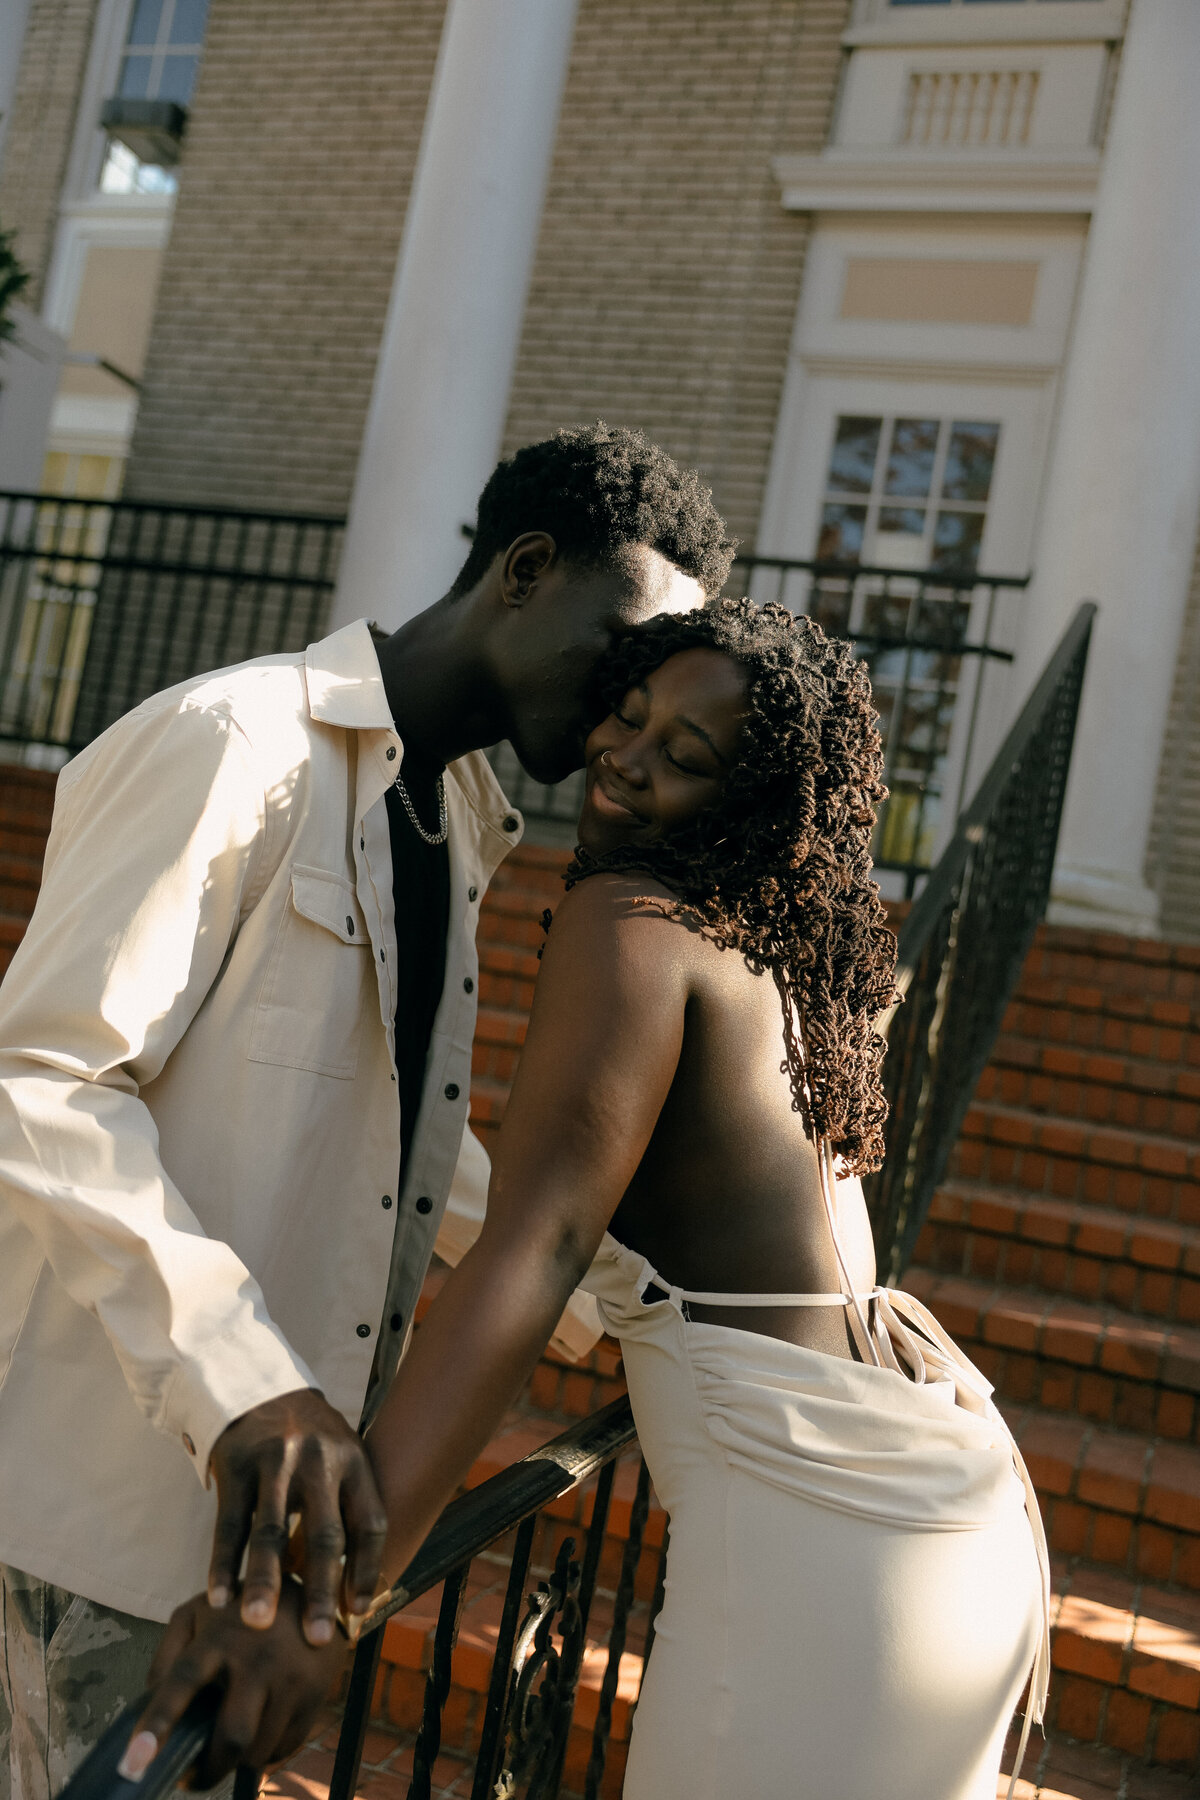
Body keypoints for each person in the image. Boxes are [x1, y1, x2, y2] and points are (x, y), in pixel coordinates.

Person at [133, 597, 1049, 1800]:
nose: (626, 759)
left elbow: (542, 1244)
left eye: (687, 756)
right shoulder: (775, 957)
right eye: (629, 715)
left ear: (753, 801)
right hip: (943, 1520)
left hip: (823, 1553)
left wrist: (322, 1604)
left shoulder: (634, 926)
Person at [0, 423, 734, 1800]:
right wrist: (246, 1390)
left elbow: (392, 1139)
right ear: (524, 570)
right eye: (621, 646)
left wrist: (632, 1299)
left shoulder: (451, 817)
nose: (628, 702)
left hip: (250, 1556)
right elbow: (42, 1084)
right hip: (88, 1523)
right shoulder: (233, 740)